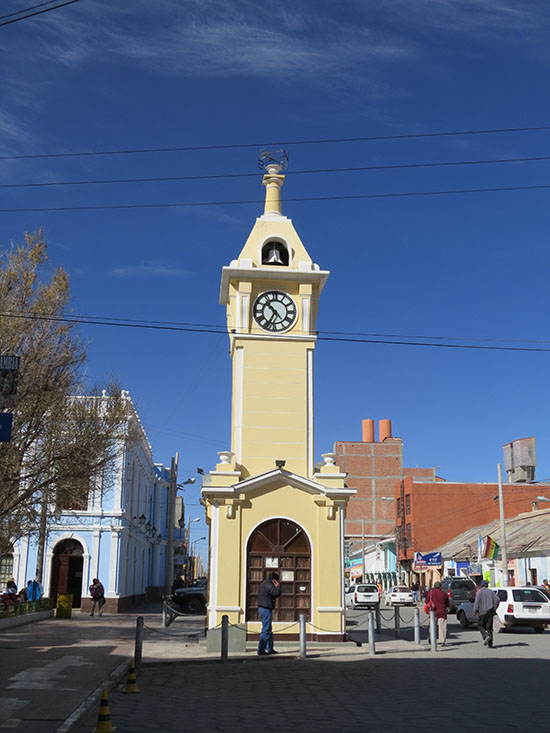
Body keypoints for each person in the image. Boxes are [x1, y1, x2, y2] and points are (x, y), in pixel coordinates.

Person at [257, 572, 281, 656]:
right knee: (266, 630)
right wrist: (278, 587)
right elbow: (276, 593)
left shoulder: (263, 584)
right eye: (277, 581)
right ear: (274, 580)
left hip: (262, 608)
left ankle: (270, 648)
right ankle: (261, 649)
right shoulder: (269, 585)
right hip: (266, 608)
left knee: (268, 629)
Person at [473, 580, 500, 648]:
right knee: (489, 628)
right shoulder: (491, 592)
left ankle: (485, 636)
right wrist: (494, 607)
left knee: (480, 625)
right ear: (487, 585)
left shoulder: (479, 592)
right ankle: (490, 644)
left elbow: (477, 602)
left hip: (482, 612)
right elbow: (497, 599)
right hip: (490, 612)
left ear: (481, 585)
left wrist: (475, 610)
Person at [426, 581, 450, 645]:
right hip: (442, 612)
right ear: (440, 587)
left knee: (432, 626)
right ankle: (442, 641)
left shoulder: (430, 593)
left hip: (433, 611)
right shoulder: (444, 594)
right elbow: (447, 603)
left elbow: (426, 601)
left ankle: (431, 638)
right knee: (442, 627)